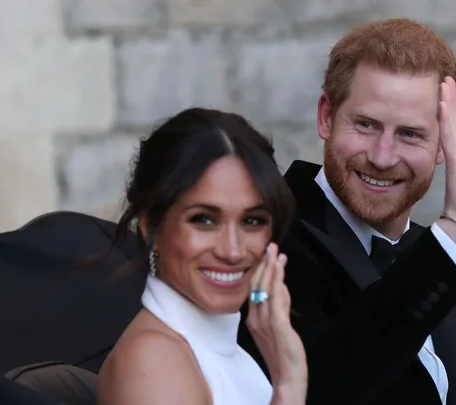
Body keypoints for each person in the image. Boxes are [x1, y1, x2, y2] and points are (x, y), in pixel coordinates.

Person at [238, 18, 456, 405]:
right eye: (366, 125)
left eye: (410, 134)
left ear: (441, 149)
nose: (383, 157)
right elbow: (327, 384)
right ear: (326, 117)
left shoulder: (431, 252)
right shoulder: (268, 237)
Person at [96, 108, 308, 405]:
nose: (232, 251)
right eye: (204, 220)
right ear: (150, 226)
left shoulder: (225, 350)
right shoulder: (153, 359)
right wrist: (289, 384)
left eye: (252, 221)